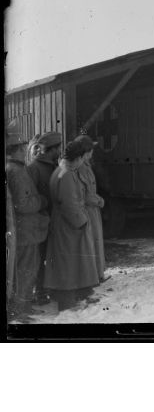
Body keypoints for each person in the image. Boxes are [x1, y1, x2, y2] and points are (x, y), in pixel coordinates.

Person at [44, 140, 99, 312]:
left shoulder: (62, 170)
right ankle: (67, 302)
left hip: (64, 223)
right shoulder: (67, 174)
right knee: (68, 262)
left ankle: (70, 298)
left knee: (67, 261)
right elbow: (69, 204)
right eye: (84, 157)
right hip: (68, 225)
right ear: (80, 157)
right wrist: (81, 222)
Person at [5, 122, 50, 320]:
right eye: (24, 147)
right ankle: (20, 309)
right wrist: (41, 200)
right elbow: (23, 205)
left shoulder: (13, 168)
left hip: (22, 231)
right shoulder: (17, 171)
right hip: (26, 232)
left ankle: (21, 306)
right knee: (27, 268)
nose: (26, 150)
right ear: (19, 149)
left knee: (22, 268)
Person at [27, 131, 63, 304]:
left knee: (51, 257)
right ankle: (38, 292)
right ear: (51, 149)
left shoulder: (53, 166)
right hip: (41, 223)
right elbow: (29, 198)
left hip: (53, 221)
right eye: (58, 148)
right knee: (39, 258)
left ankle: (48, 288)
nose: (60, 151)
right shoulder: (34, 168)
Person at [75, 134, 109, 282]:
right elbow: (87, 194)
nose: (93, 152)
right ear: (86, 151)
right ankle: (94, 275)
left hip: (92, 209)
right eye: (91, 149)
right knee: (92, 241)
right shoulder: (82, 167)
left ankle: (97, 274)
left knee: (95, 241)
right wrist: (100, 201)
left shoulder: (85, 165)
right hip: (90, 209)